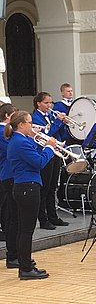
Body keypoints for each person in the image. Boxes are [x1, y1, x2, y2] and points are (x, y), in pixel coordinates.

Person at [6, 110, 57, 279]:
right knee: (26, 230)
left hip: (24, 186)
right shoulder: (20, 142)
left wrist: (41, 141)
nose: (32, 125)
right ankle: (26, 269)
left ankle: (24, 263)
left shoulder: (21, 139)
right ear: (21, 124)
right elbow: (39, 162)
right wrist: (50, 147)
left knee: (23, 229)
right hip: (28, 187)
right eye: (29, 123)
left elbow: (33, 152)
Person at [32, 92, 68, 230]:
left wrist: (63, 123)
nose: (49, 106)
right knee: (45, 188)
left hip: (55, 153)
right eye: (46, 103)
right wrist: (58, 122)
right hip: (44, 154)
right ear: (38, 103)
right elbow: (46, 135)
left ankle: (53, 216)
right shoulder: (35, 118)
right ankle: (43, 219)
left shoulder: (51, 116)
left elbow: (58, 133)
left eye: (50, 103)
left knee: (53, 187)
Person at [0, 104, 19, 268]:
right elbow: (12, 151)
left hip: (14, 175)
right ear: (7, 116)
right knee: (12, 218)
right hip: (10, 175)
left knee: (15, 217)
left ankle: (15, 254)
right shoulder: (2, 133)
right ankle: (12, 255)